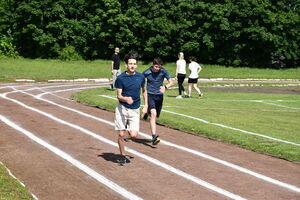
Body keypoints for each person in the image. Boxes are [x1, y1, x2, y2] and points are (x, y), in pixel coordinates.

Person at [114, 53, 148, 166]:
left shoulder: (141, 77)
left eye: (134, 64)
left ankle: (124, 140)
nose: (132, 66)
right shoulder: (120, 78)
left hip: (135, 109)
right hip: (122, 108)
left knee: (133, 135)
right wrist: (125, 98)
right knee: (122, 134)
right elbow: (118, 95)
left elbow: (144, 91)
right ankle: (122, 156)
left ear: (136, 65)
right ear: (126, 65)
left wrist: (146, 105)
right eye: (130, 64)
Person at [142, 57, 173, 145]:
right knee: (153, 114)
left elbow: (171, 82)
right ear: (153, 65)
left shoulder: (163, 71)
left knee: (155, 117)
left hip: (159, 97)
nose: (157, 69)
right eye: (156, 67)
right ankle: (154, 136)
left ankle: (146, 113)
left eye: (159, 67)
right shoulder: (146, 72)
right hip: (150, 95)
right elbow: (139, 79)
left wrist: (165, 87)